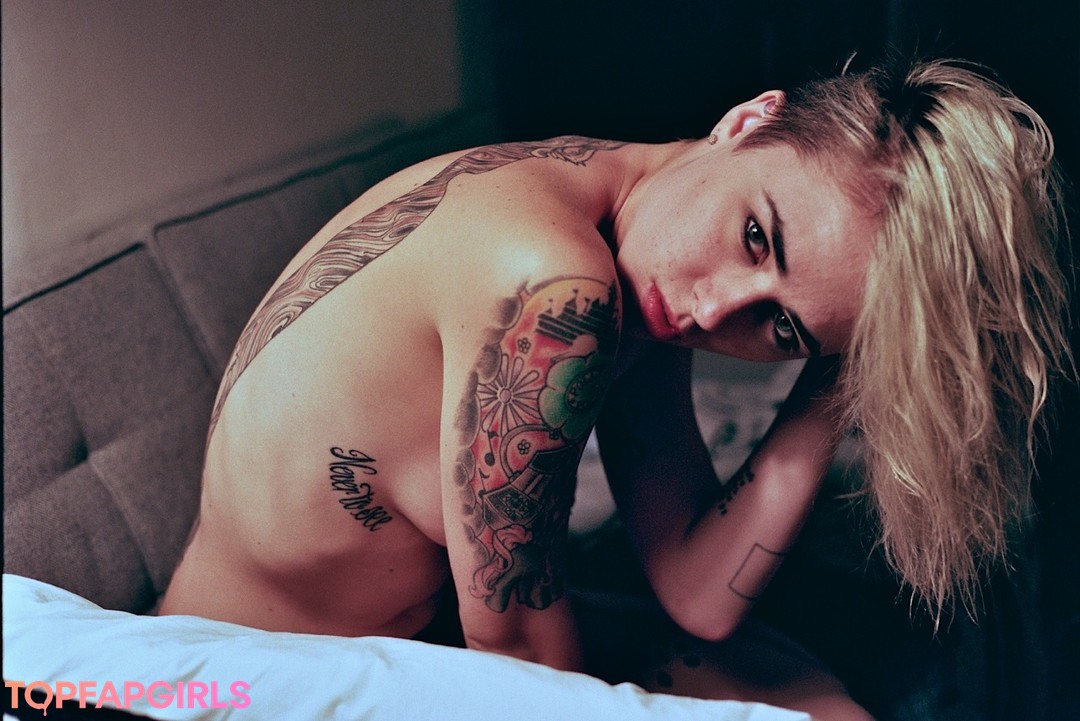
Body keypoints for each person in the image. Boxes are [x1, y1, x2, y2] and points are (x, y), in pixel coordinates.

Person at [159, 56, 1072, 720]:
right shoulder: (557, 282)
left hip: (406, 640)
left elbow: (697, 590)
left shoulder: (637, 241)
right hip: (248, 673)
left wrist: (856, 360)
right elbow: (518, 653)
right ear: (749, 120)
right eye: (757, 237)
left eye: (783, 328)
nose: (716, 310)